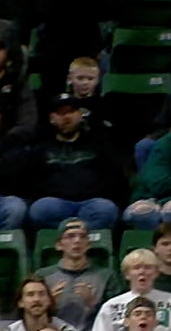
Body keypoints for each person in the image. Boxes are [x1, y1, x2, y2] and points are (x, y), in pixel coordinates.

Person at [20, 94, 125, 231]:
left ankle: (75, 235)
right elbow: (30, 182)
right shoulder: (40, 149)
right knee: (40, 209)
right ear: (52, 118)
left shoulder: (98, 143)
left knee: (107, 209)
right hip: (56, 204)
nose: (67, 117)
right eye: (61, 113)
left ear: (80, 115)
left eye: (71, 112)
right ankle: (71, 236)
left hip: (91, 203)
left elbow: (114, 178)